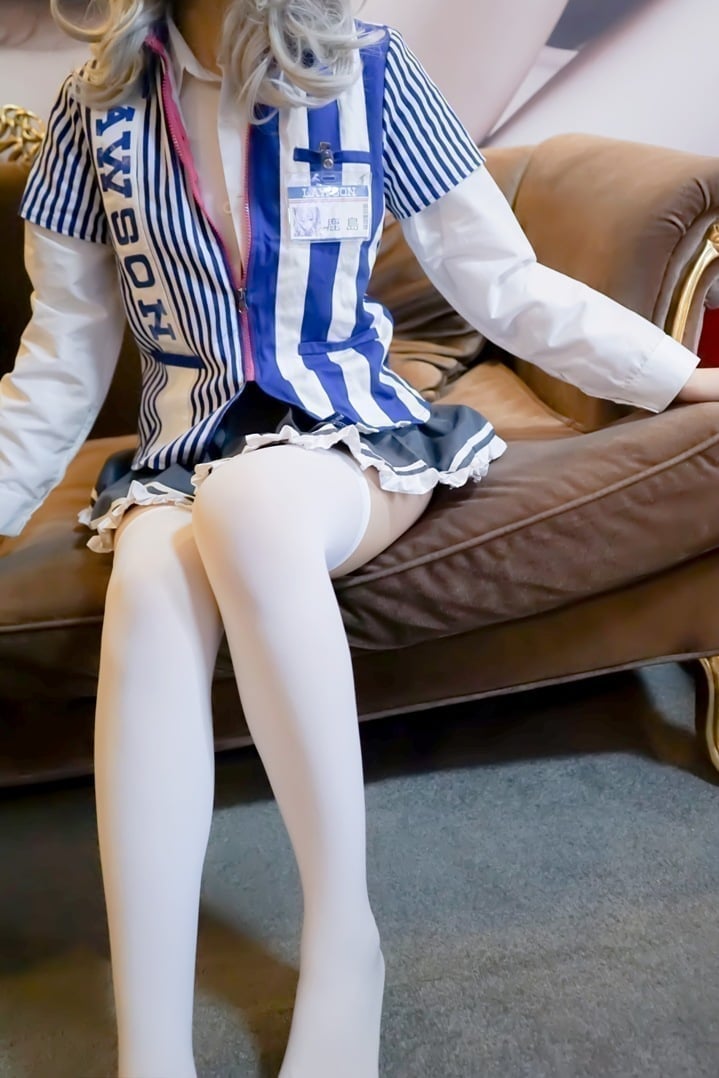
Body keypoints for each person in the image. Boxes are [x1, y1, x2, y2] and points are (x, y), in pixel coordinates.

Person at [1, 2, 717, 1076]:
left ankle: (344, 940)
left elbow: (500, 281)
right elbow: (61, 359)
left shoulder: (367, 70)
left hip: (344, 437)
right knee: (148, 579)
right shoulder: (95, 108)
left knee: (252, 507)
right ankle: (150, 1050)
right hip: (183, 454)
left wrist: (677, 376)